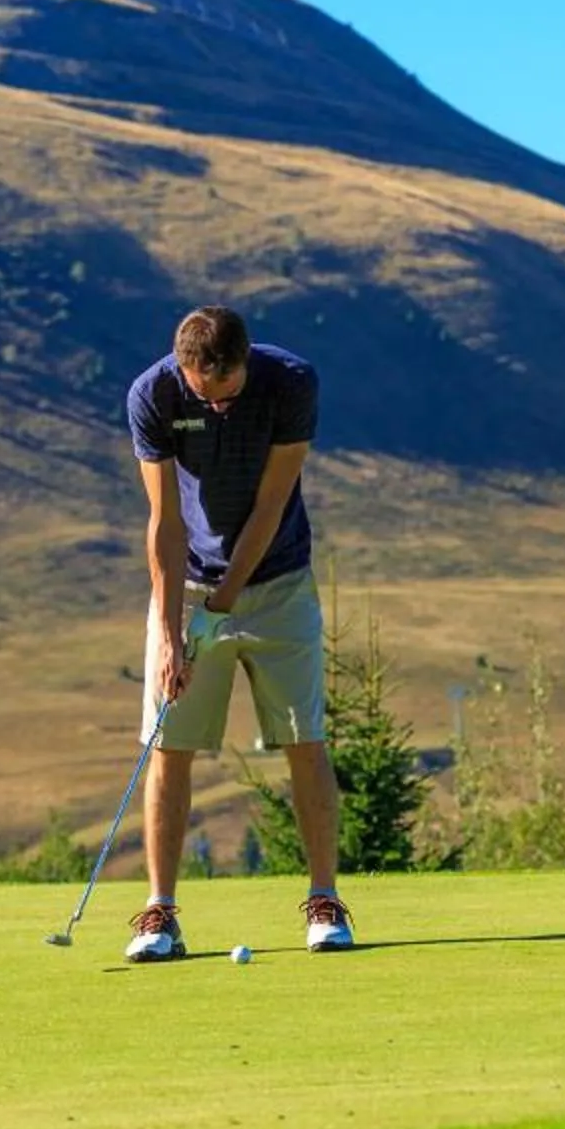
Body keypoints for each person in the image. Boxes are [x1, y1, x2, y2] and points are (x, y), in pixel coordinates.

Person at [121, 305, 352, 960]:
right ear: (184, 371)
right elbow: (165, 524)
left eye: (227, 394)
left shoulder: (291, 383)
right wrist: (172, 634)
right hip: (189, 585)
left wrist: (220, 607)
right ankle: (160, 913)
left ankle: (324, 900)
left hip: (279, 583)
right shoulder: (154, 394)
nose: (217, 406)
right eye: (205, 397)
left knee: (304, 738)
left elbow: (271, 505)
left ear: (245, 363)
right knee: (169, 743)